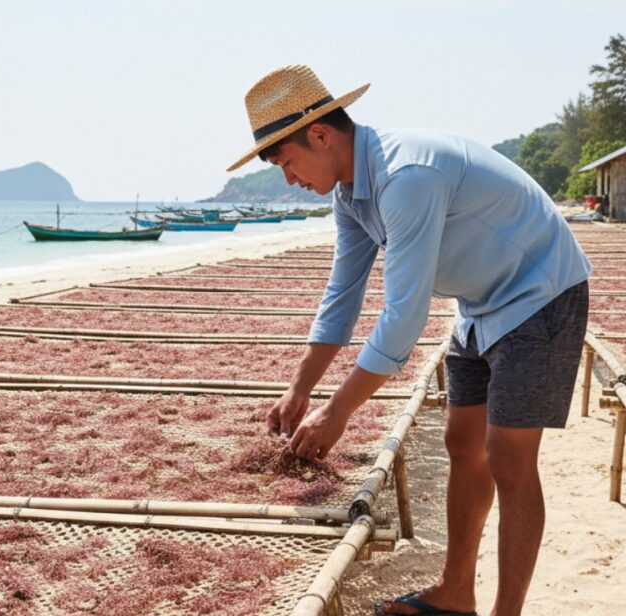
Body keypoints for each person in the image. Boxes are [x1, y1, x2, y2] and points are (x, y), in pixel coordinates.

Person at [228, 65, 591, 616]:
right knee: (461, 445)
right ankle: (456, 594)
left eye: (287, 162)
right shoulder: (351, 196)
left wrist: (337, 413)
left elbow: (402, 317)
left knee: (508, 458)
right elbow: (342, 297)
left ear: (321, 135)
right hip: (480, 305)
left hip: (540, 291)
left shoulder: (407, 176)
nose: (289, 179)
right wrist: (300, 390)